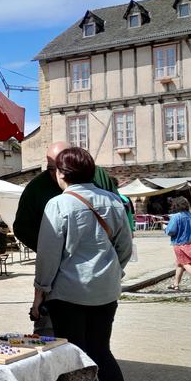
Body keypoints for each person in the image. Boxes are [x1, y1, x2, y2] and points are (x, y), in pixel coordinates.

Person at [31, 147, 134, 381]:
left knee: (76, 357)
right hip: (106, 292)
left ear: (62, 174)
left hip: (70, 293)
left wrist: (40, 293)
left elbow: (48, 258)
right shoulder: (114, 201)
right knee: (102, 351)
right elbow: (125, 248)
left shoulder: (59, 204)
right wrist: (109, 273)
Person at [15, 140, 119, 333]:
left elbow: (121, 233)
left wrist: (109, 264)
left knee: (86, 345)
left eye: (60, 168)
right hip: (61, 279)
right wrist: (53, 253)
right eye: (50, 168)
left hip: (93, 283)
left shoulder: (98, 180)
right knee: (58, 337)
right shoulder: (37, 187)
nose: (56, 174)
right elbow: (22, 228)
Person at [165, 197, 191, 293]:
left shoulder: (176, 217)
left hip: (180, 244)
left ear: (176, 205)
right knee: (180, 263)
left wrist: (165, 228)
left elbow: (171, 231)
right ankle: (175, 284)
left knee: (185, 264)